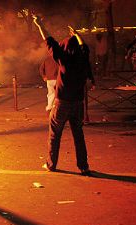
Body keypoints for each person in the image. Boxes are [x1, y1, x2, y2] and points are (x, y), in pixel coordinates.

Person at [33, 16, 93, 175]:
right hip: (78, 103)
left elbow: (49, 40)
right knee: (78, 135)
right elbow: (84, 47)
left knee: (54, 134)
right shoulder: (82, 57)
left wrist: (39, 24)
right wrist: (77, 34)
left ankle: (51, 164)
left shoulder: (64, 59)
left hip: (63, 102)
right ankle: (83, 166)